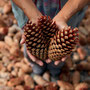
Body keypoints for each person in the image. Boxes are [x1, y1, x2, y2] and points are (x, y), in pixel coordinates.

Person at [11, 0, 89, 78]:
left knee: (62, 48)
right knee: (32, 48)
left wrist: (64, 17)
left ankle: (55, 69)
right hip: (28, 8)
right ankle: (38, 67)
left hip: (68, 9)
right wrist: (33, 15)